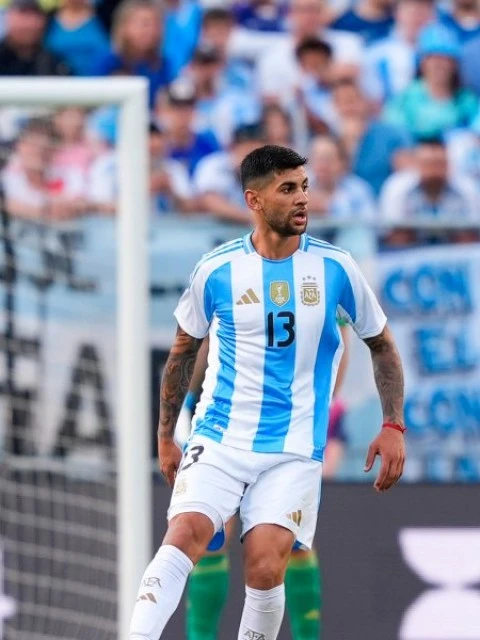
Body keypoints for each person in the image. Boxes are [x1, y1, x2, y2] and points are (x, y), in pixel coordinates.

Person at [129, 144, 406, 640]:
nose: (302, 199)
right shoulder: (216, 270)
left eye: (304, 187)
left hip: (294, 446)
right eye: (288, 189)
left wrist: (392, 424)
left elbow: (381, 345)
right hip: (220, 434)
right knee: (185, 534)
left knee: (264, 563)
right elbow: (183, 353)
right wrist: (166, 434)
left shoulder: (336, 268)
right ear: (254, 200)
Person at [176, 324, 350, 640]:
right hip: (224, 418)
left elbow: (338, 339)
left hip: (286, 423)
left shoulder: (320, 290)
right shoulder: (227, 291)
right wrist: (188, 398)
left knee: (292, 537)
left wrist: (319, 406)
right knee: (210, 529)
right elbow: (203, 334)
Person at [382, 23, 478, 140]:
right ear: (422, 63)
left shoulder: (467, 101)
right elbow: (393, 135)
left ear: (455, 65)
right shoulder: (406, 99)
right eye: (434, 58)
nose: (439, 65)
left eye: (446, 59)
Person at [379, 137, 479, 245]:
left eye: (439, 164)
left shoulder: (467, 188)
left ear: (448, 164)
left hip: (457, 252)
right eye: (428, 164)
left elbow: (472, 234)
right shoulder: (397, 187)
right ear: (416, 164)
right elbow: (393, 235)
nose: (434, 170)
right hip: (410, 251)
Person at [0, 0, 70, 76]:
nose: (28, 24)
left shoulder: (56, 64)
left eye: (34, 16)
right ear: (8, 18)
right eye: (23, 14)